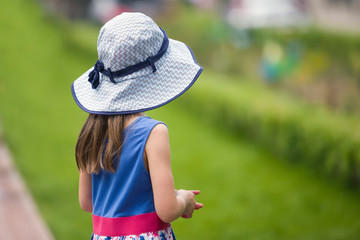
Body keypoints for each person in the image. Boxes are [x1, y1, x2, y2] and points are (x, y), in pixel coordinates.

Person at [71, 12, 203, 240]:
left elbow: (87, 202)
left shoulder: (90, 130)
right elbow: (167, 210)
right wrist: (183, 199)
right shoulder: (154, 133)